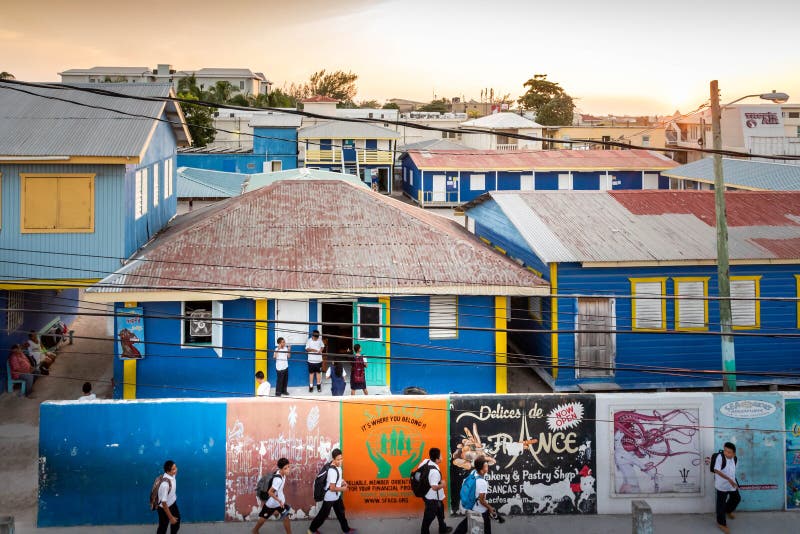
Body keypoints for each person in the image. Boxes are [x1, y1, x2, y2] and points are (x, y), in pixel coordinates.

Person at [307, 448, 357, 534]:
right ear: (333, 459)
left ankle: (346, 530)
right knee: (323, 515)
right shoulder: (331, 471)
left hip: (336, 496)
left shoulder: (338, 467)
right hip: (330, 497)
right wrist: (343, 489)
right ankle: (311, 530)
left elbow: (338, 478)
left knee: (341, 513)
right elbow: (332, 488)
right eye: (338, 459)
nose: (340, 461)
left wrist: (342, 481)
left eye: (341, 458)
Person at [453, 457, 495, 534]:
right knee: (486, 527)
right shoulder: (482, 482)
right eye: (486, 466)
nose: (488, 467)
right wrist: (490, 508)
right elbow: (482, 500)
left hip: (471, 506)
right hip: (480, 510)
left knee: (465, 524)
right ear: (482, 470)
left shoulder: (473, 473)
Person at [253, 458, 292, 534]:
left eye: (288, 467)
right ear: (281, 469)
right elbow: (270, 492)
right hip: (272, 503)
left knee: (286, 517)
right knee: (264, 517)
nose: (288, 470)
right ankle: (255, 530)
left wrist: (280, 500)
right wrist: (279, 500)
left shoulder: (281, 473)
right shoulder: (278, 480)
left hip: (280, 502)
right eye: (285, 468)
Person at [419, 448, 452, 534]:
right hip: (432, 498)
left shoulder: (426, 461)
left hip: (432, 496)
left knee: (440, 514)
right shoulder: (434, 472)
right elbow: (434, 487)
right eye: (440, 456)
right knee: (428, 518)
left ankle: (443, 529)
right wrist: (443, 485)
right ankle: (424, 532)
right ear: (437, 459)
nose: (442, 457)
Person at [711, 442, 741, 534]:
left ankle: (728, 511)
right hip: (721, 485)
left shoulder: (735, 459)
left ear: (734, 454)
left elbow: (732, 471)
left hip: (731, 484)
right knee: (721, 504)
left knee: (736, 498)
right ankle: (721, 523)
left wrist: (734, 481)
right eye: (725, 451)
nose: (726, 453)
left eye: (729, 452)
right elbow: (716, 470)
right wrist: (728, 479)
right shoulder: (720, 457)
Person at [157, 460, 180, 534]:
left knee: (176, 522)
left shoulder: (172, 475)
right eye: (173, 469)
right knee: (163, 527)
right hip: (164, 508)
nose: (176, 470)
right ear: (168, 471)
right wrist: (171, 517)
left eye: (175, 467)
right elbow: (164, 503)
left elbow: (174, 472)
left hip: (173, 504)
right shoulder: (165, 485)